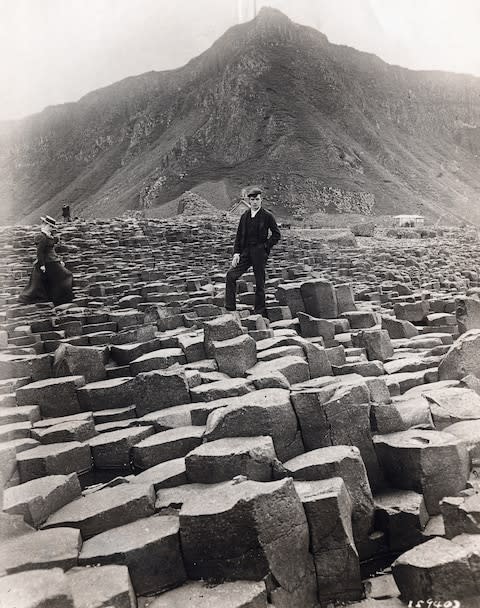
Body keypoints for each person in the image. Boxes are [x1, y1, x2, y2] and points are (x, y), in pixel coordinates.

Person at [225, 185, 281, 317]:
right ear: (249, 201)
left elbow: (276, 234)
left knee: (260, 282)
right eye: (252, 199)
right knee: (231, 275)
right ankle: (230, 308)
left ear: (261, 200)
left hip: (259, 253)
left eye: (257, 199)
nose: (255, 202)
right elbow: (239, 236)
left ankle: (260, 311)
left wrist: (265, 247)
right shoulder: (244, 216)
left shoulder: (267, 216)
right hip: (245, 252)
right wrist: (236, 253)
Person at [19, 215, 73, 306]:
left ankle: (60, 299)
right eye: (50, 226)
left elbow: (52, 251)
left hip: (53, 261)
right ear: (45, 225)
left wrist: (59, 261)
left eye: (52, 227)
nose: (51, 228)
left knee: (62, 277)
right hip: (48, 262)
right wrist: (42, 265)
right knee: (66, 275)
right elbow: (40, 252)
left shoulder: (48, 236)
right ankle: (61, 299)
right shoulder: (42, 236)